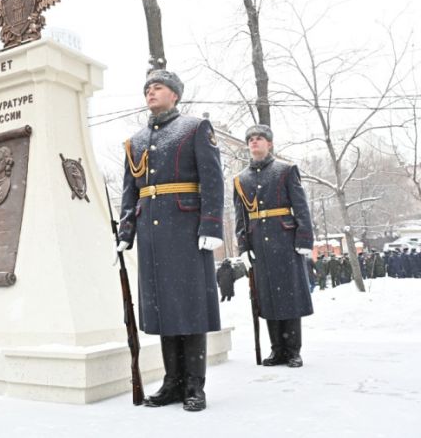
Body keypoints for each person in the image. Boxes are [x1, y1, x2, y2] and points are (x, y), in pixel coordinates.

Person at [117, 68, 225, 412]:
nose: (150, 91)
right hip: (151, 233)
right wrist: (125, 232)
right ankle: (172, 382)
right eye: (147, 87)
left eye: (158, 87)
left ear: (174, 94)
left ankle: (194, 385)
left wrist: (211, 226)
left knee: (189, 307)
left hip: (186, 228)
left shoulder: (194, 128)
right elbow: (129, 192)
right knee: (164, 309)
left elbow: (212, 180)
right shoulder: (134, 141)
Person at [233, 124, 313, 368]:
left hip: (285, 240)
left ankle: (292, 350)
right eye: (251, 139)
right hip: (259, 244)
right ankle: (276, 349)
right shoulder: (240, 179)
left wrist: (303, 239)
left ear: (270, 144)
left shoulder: (286, 170)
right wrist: (243, 247)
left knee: (289, 296)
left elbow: (300, 206)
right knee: (266, 297)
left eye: (259, 138)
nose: (254, 142)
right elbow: (241, 217)